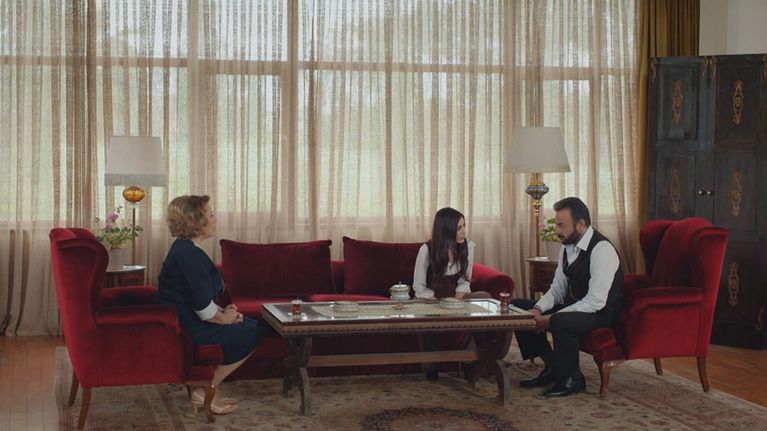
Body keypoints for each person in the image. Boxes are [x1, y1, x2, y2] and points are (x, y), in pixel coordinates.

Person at [157, 195, 261, 415]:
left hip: (186, 322)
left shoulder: (184, 248)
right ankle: (205, 389)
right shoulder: (191, 255)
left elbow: (196, 298)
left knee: (249, 325)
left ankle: (205, 388)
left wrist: (224, 312)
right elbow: (204, 310)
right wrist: (224, 318)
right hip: (188, 330)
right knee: (251, 332)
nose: (215, 219)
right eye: (211, 215)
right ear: (196, 221)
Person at [512, 197, 622, 397]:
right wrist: (537, 309)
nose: (557, 231)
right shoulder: (567, 247)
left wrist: (550, 318)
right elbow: (557, 289)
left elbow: (596, 301)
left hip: (600, 313)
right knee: (517, 307)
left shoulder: (602, 250)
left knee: (560, 321)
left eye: (562, 225)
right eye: (557, 225)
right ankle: (552, 367)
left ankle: (572, 379)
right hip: (578, 308)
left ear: (581, 224)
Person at [412, 207, 491, 379]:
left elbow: (465, 282)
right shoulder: (426, 250)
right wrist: (438, 305)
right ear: (446, 230)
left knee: (485, 298)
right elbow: (419, 286)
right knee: (421, 313)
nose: (464, 232)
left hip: (457, 298)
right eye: (459, 228)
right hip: (431, 299)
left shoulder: (468, 247)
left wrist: (455, 303)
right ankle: (431, 365)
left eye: (464, 226)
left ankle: (473, 362)